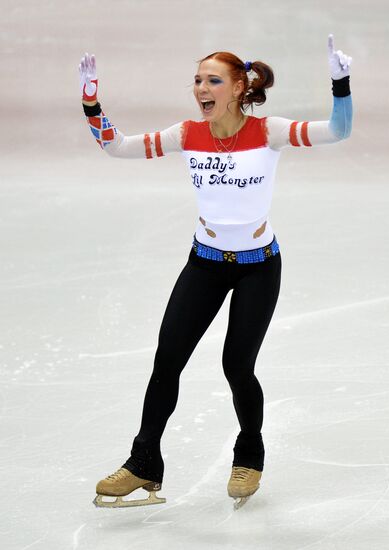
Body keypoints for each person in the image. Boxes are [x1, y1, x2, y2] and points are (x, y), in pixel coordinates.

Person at [79, 34, 353, 510]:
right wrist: (91, 101)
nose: (201, 88)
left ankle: (249, 453)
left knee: (236, 365)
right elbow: (116, 147)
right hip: (204, 264)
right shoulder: (188, 134)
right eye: (197, 80)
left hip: (257, 269)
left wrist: (340, 81)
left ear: (239, 87)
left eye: (212, 80)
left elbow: (339, 131)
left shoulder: (270, 132)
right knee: (167, 361)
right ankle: (144, 463)